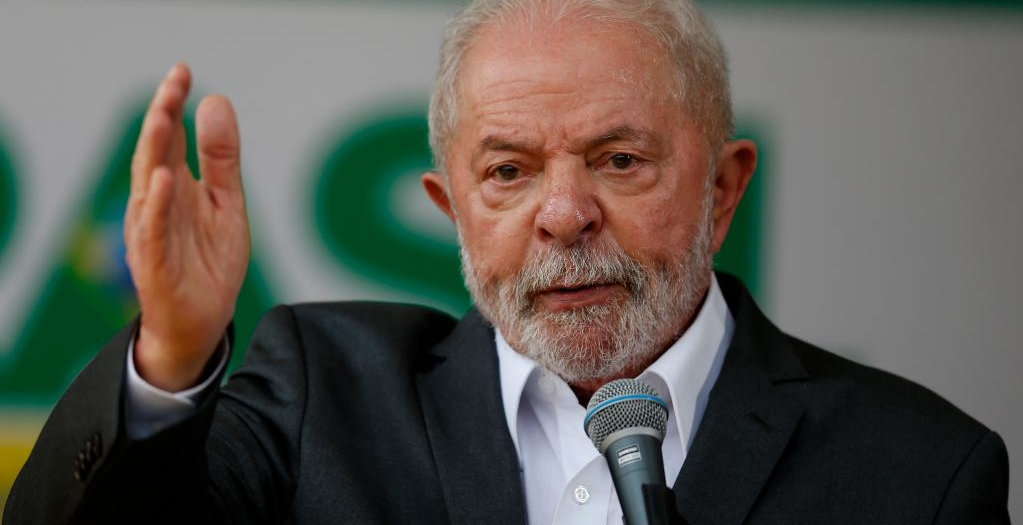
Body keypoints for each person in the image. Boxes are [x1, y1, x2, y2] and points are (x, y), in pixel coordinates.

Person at [4, 0, 1010, 523]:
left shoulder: (918, 472)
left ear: (724, 187)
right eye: (508, 172)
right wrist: (172, 357)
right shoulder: (321, 394)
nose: (563, 215)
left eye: (619, 160)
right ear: (450, 208)